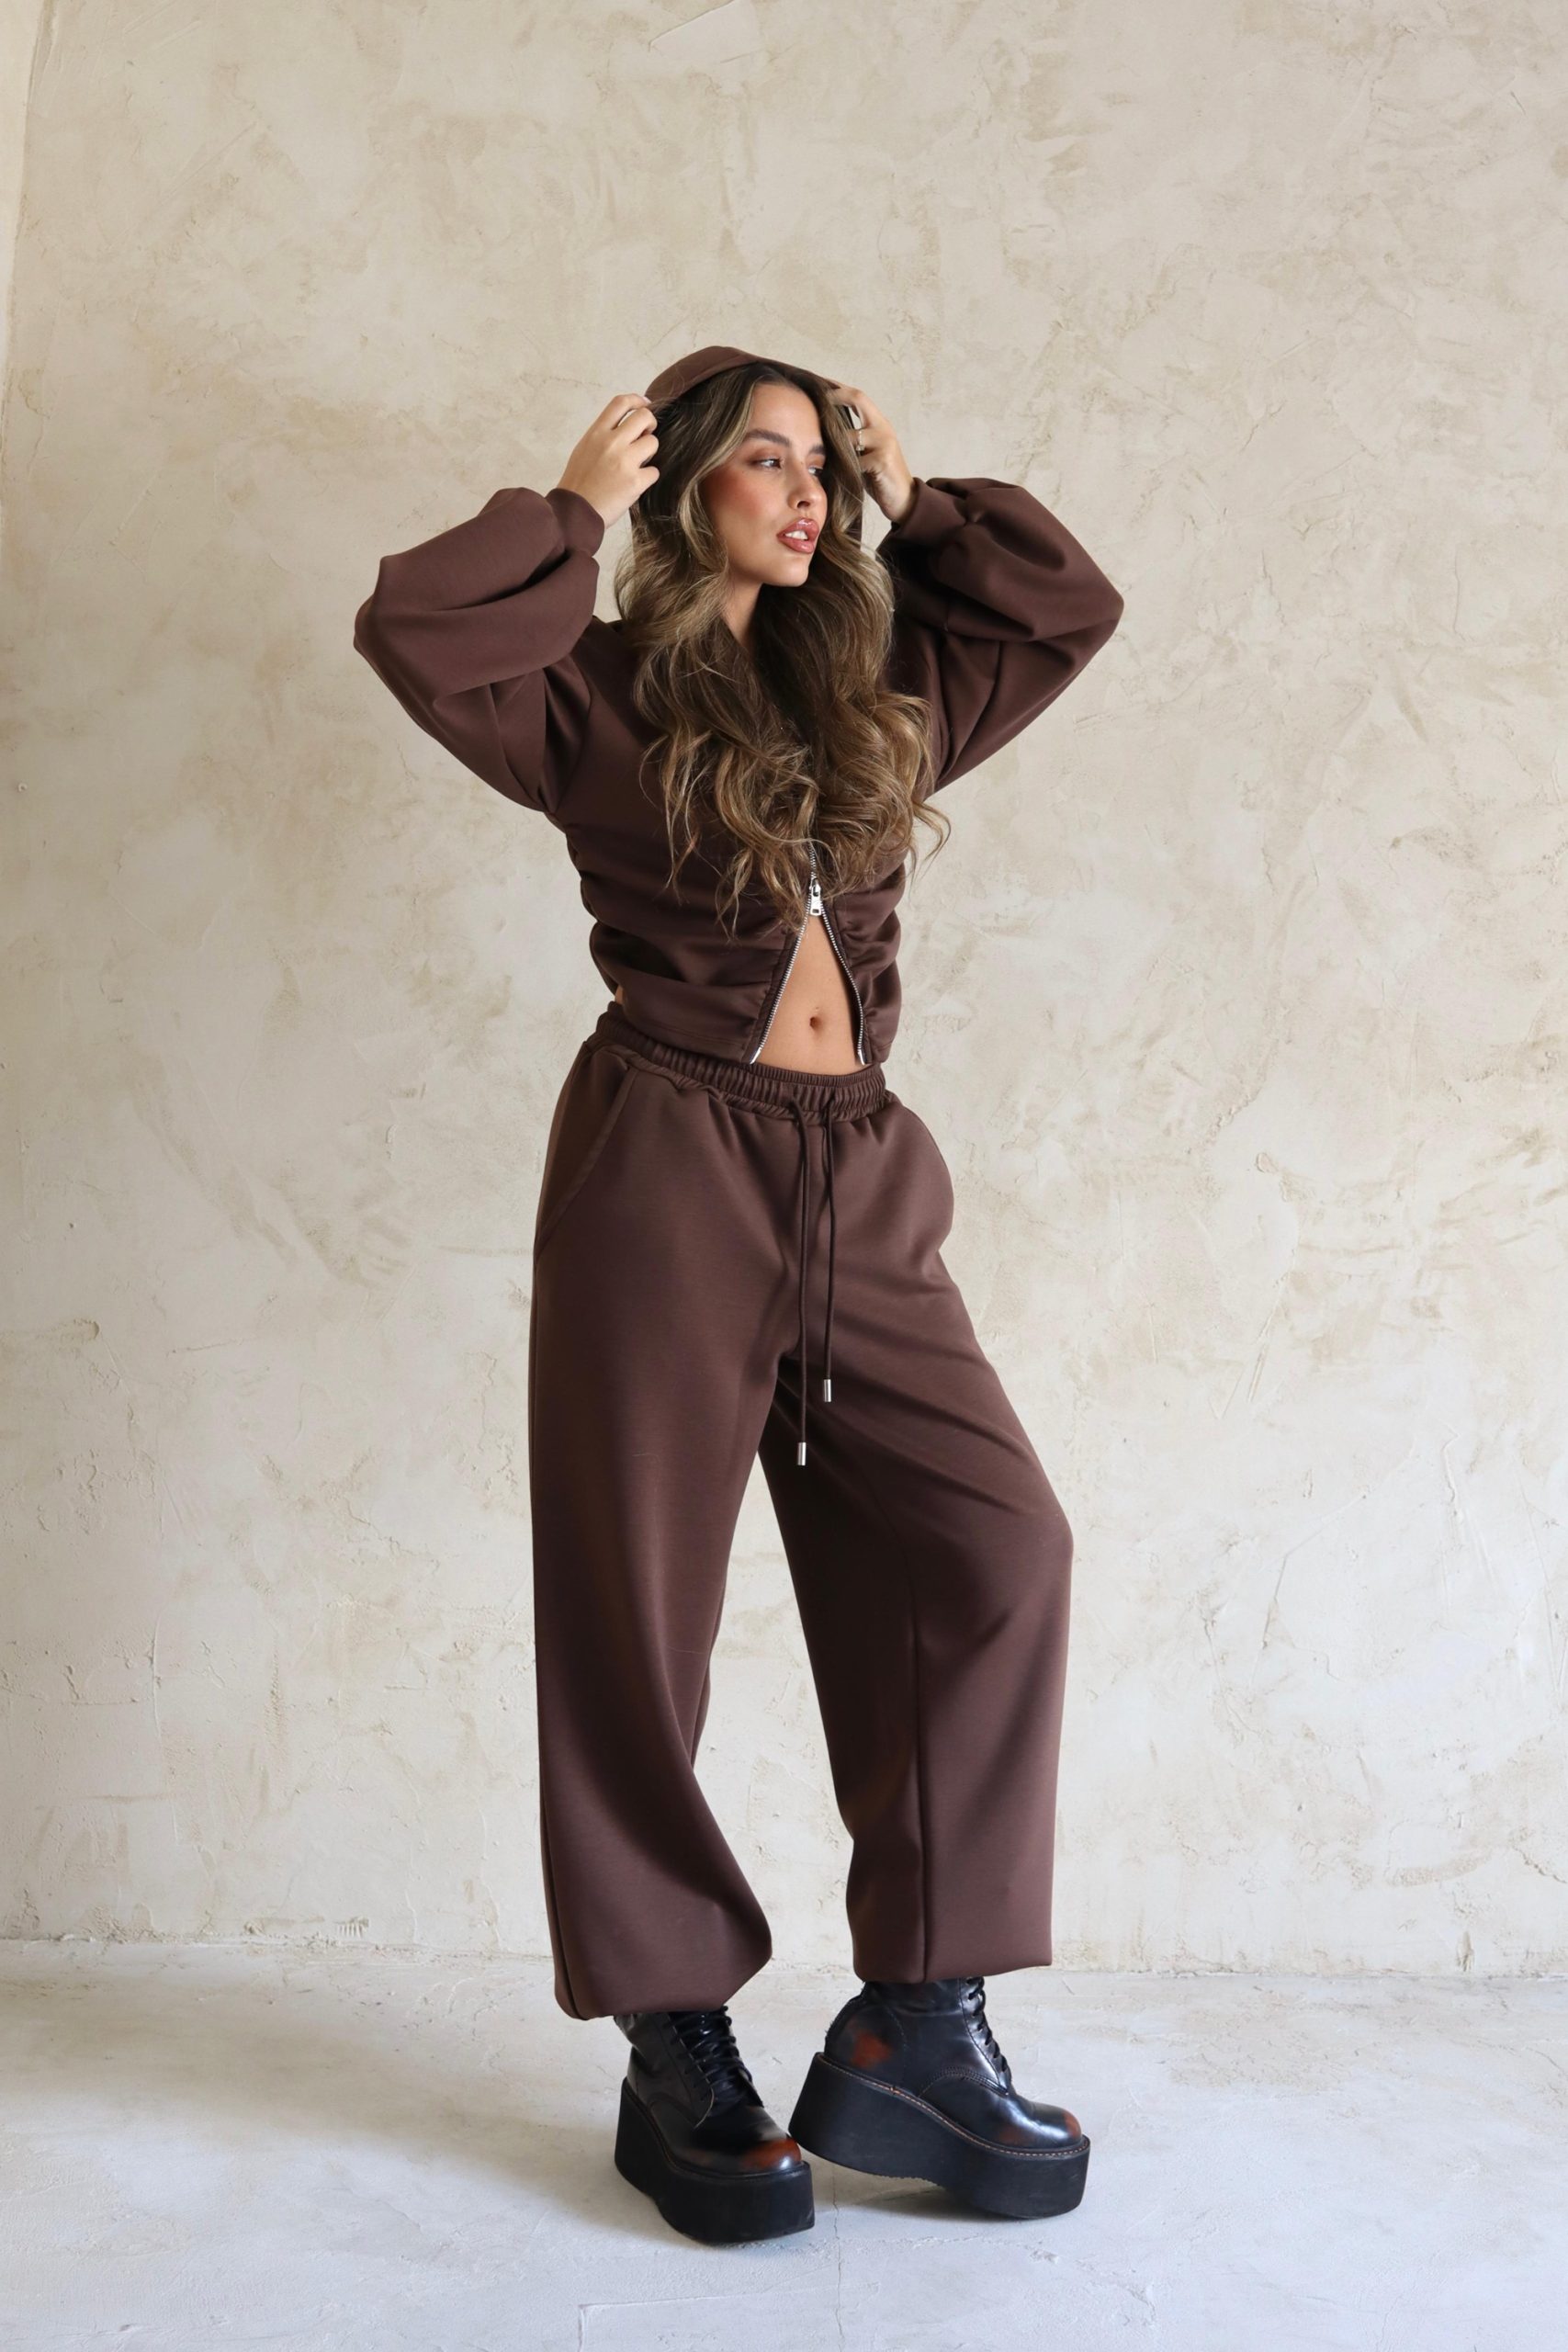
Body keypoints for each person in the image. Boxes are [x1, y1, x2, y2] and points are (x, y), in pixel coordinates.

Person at [353, 344, 1124, 2245]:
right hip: (664, 1170)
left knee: (994, 1545)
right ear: (682, 482)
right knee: (638, 1606)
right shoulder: (587, 692)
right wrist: (567, 508)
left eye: (820, 468)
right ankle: (672, 2034)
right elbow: (415, 627)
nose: (806, 495)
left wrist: (919, 496)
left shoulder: (879, 695)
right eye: (764, 460)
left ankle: (916, 2022)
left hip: (861, 1169)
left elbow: (1060, 603)